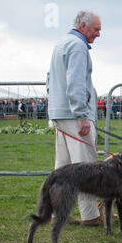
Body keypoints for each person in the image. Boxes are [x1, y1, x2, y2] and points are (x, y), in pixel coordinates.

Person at [46, 11, 102, 225]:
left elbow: (49, 79)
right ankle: (90, 216)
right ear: (83, 26)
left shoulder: (61, 43)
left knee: (63, 166)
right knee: (85, 166)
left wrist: (56, 105)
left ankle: (58, 212)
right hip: (74, 116)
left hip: (60, 114)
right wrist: (81, 115)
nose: (98, 34)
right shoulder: (78, 47)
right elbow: (76, 83)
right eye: (96, 29)